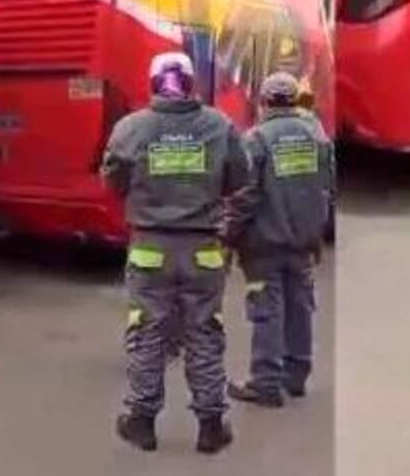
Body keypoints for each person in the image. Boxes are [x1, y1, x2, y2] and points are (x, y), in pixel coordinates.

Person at [101, 52, 251, 455]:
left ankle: (142, 423)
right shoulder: (219, 125)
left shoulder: (132, 127)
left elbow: (113, 179)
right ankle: (210, 427)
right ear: (191, 83)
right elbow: (240, 176)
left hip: (150, 248)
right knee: (204, 333)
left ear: (154, 83)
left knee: (147, 335)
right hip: (203, 250)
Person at [225, 72, 334, 408]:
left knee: (267, 310)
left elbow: (245, 197)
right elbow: (328, 187)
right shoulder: (317, 136)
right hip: (304, 240)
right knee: (300, 305)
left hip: (264, 243)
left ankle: (266, 383)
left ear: (265, 102)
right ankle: (296, 375)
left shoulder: (256, 139)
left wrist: (227, 235)